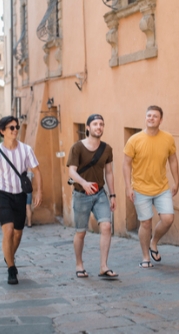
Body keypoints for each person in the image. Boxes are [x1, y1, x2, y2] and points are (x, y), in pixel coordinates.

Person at [0, 116, 42, 285]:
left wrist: (39, 192)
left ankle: (8, 255)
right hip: (3, 195)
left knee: (17, 234)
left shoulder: (26, 150)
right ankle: (11, 268)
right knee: (8, 231)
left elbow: (37, 171)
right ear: (2, 131)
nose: (15, 129)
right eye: (11, 127)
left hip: (20, 196)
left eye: (16, 127)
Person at [123, 106, 179, 269]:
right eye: (149, 115)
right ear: (145, 118)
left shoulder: (168, 138)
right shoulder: (134, 139)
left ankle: (153, 243)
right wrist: (128, 186)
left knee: (168, 219)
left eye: (155, 116)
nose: (151, 118)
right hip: (140, 188)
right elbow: (126, 164)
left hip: (162, 187)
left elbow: (173, 160)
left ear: (160, 120)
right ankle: (145, 257)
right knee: (146, 223)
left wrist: (177, 181)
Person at [67, 114, 118, 279]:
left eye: (101, 124)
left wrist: (113, 195)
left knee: (106, 227)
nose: (99, 127)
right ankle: (79, 264)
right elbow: (71, 171)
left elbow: (109, 173)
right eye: (95, 124)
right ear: (88, 127)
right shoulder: (77, 147)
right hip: (81, 195)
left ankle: (104, 266)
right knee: (81, 232)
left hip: (100, 194)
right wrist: (84, 183)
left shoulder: (107, 149)